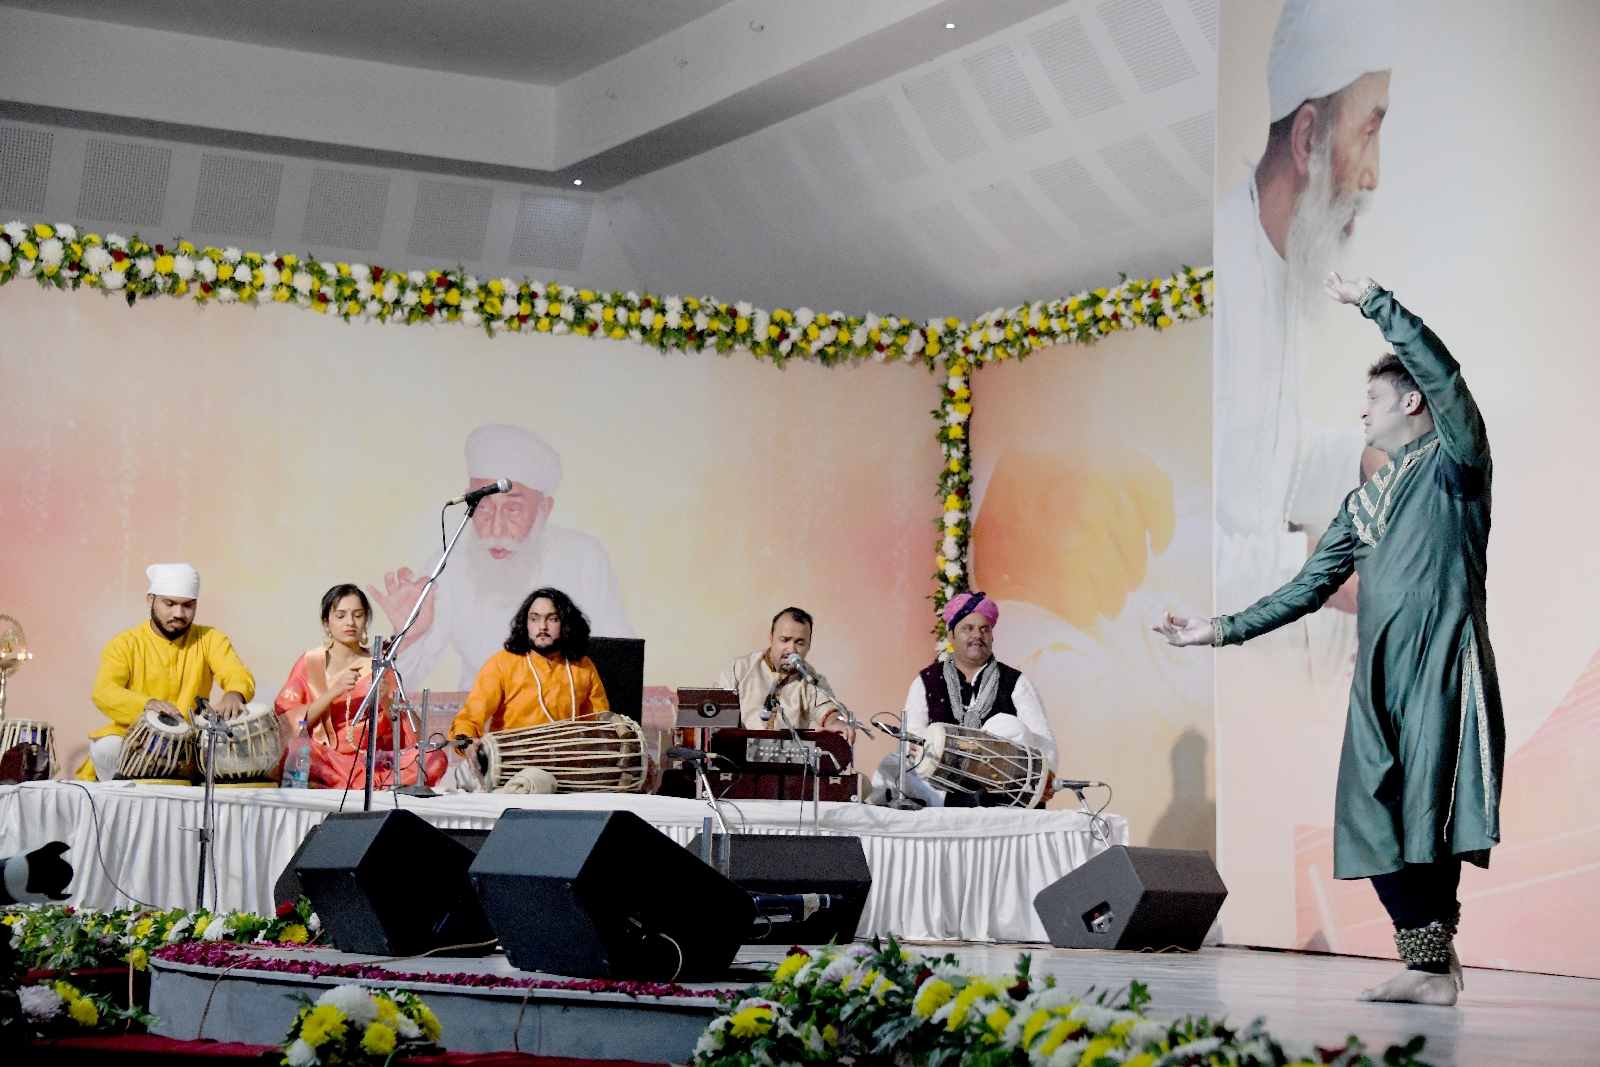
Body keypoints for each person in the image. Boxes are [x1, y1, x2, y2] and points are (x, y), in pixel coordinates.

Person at [1158, 275, 1502, 1006]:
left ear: (1412, 403)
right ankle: (1429, 959)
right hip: (1379, 675)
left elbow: (1447, 377)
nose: (1362, 411)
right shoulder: (1363, 501)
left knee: (1427, 812)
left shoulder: (1457, 462)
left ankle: (1430, 968)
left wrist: (1376, 302)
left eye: (1373, 398)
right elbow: (1307, 587)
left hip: (1441, 662)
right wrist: (1217, 629)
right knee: (1366, 808)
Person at [1214, 0, 1395, 685]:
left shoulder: (1283, 267)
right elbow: (1194, 551)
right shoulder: (1219, 272)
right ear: (1308, 136)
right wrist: (1330, 572)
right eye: (1369, 132)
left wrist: (1364, 457)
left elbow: (1269, 466)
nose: (1374, 173)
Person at [371, 424, 633, 691]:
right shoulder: (447, 567)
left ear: (544, 509)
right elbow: (398, 688)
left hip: (566, 710)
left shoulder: (584, 559)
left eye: (513, 509)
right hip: (480, 711)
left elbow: (618, 666)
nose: (495, 530)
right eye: (483, 507)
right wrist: (409, 636)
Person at [872, 591, 1058, 806]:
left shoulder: (1015, 682)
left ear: (991, 637)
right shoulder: (927, 681)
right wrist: (917, 749)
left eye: (984, 629)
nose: (977, 635)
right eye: (967, 628)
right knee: (891, 767)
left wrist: (1046, 775)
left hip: (998, 784)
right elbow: (911, 736)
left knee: (1010, 726)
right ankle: (955, 800)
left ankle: (968, 799)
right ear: (951, 635)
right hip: (940, 781)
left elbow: (1041, 737)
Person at [80, 563, 255, 781]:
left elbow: (237, 673)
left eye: (188, 605)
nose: (178, 614)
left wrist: (235, 694)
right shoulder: (125, 644)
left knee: (234, 749)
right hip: (136, 739)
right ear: (150, 600)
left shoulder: (209, 639)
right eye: (169, 604)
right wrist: (146, 704)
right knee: (107, 747)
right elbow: (104, 691)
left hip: (189, 747)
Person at [273, 584, 447, 789]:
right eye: (341, 616)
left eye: (358, 615)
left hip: (371, 761)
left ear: (366, 622)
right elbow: (287, 721)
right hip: (324, 758)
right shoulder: (310, 663)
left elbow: (409, 732)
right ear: (326, 622)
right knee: (293, 751)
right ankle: (361, 784)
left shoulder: (379, 666)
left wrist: (385, 700)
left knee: (434, 757)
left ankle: (337, 784)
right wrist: (334, 691)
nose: (350, 622)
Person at [449, 587, 609, 741]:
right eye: (535, 619)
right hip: (513, 757)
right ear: (525, 624)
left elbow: (598, 722)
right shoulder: (501, 665)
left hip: (569, 757)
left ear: (566, 623)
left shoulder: (583, 666)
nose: (542, 627)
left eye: (552, 619)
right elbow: (469, 719)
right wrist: (466, 741)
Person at [715, 607, 849, 732]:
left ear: (809, 644)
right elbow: (715, 710)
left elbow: (829, 711)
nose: (791, 650)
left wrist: (838, 722)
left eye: (799, 642)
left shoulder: (811, 680)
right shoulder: (739, 669)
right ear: (771, 637)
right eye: (784, 640)